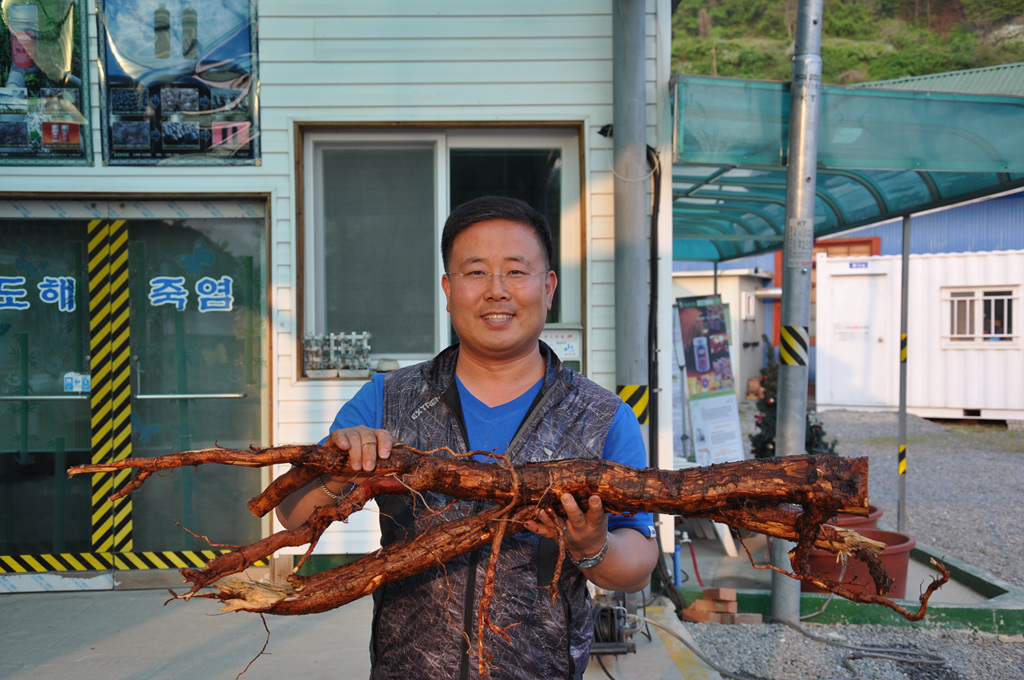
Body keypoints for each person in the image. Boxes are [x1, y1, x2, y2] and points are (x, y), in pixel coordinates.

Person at [277, 196, 660, 680]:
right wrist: (337, 471)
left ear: (548, 288)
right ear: (448, 288)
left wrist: (592, 546)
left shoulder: (601, 417)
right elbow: (291, 515)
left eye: (516, 272)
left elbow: (638, 566)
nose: (496, 292)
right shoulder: (386, 400)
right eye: (476, 272)